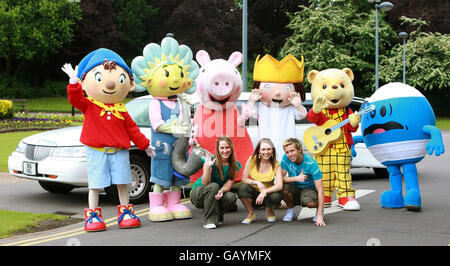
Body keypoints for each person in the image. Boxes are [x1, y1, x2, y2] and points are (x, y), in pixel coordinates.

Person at [61, 49, 155, 232]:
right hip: (97, 152)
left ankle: (126, 212)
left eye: (120, 80)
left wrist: (145, 145)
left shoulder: (121, 110)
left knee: (122, 182)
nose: (111, 83)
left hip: (119, 152)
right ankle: (93, 215)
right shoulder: (89, 105)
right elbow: (75, 99)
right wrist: (73, 82)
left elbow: (132, 129)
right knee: (95, 184)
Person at [190, 136, 242, 229]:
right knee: (214, 186)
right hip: (199, 193)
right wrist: (208, 167)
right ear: (218, 149)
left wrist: (221, 191)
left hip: (215, 192)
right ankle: (209, 221)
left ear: (231, 148)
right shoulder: (210, 160)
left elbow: (229, 183)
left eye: (227, 147)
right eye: (222, 148)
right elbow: (206, 183)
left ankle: (217, 216)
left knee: (230, 197)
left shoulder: (235, 165)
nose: (225, 150)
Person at [280, 138, 326, 227]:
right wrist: (296, 178)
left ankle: (319, 210)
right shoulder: (286, 158)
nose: (289, 154)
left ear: (299, 149)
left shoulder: (311, 163)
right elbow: (281, 178)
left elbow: (320, 189)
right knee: (282, 187)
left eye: (292, 151)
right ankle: (290, 210)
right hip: (295, 187)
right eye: (287, 152)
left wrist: (320, 216)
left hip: (309, 189)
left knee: (310, 203)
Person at [238, 138, 283, 224]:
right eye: (263, 149)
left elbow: (279, 185)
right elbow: (244, 179)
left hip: (268, 193)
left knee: (277, 196)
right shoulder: (251, 160)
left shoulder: (276, 164)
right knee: (242, 188)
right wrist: (256, 182)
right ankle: (251, 213)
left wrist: (264, 192)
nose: (266, 152)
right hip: (255, 192)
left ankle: (269, 209)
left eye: (269, 149)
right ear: (259, 150)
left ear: (272, 150)